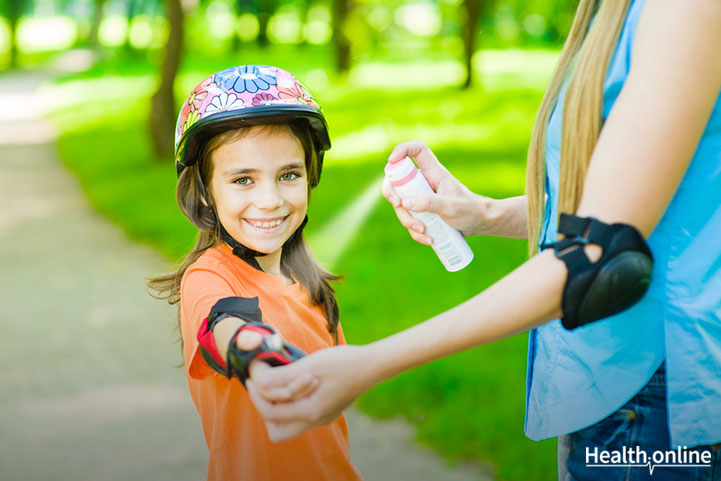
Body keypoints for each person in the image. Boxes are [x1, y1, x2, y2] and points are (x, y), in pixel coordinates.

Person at [245, 1, 721, 480]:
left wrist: (369, 363)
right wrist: (482, 213)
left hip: (657, 400)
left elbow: (596, 262)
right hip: (608, 382)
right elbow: (631, 203)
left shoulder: (682, 10)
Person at [148, 65, 362, 481]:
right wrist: (255, 352)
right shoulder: (208, 276)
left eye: (288, 175)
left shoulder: (311, 288)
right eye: (243, 179)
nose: (270, 200)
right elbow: (223, 323)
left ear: (310, 175)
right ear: (205, 193)